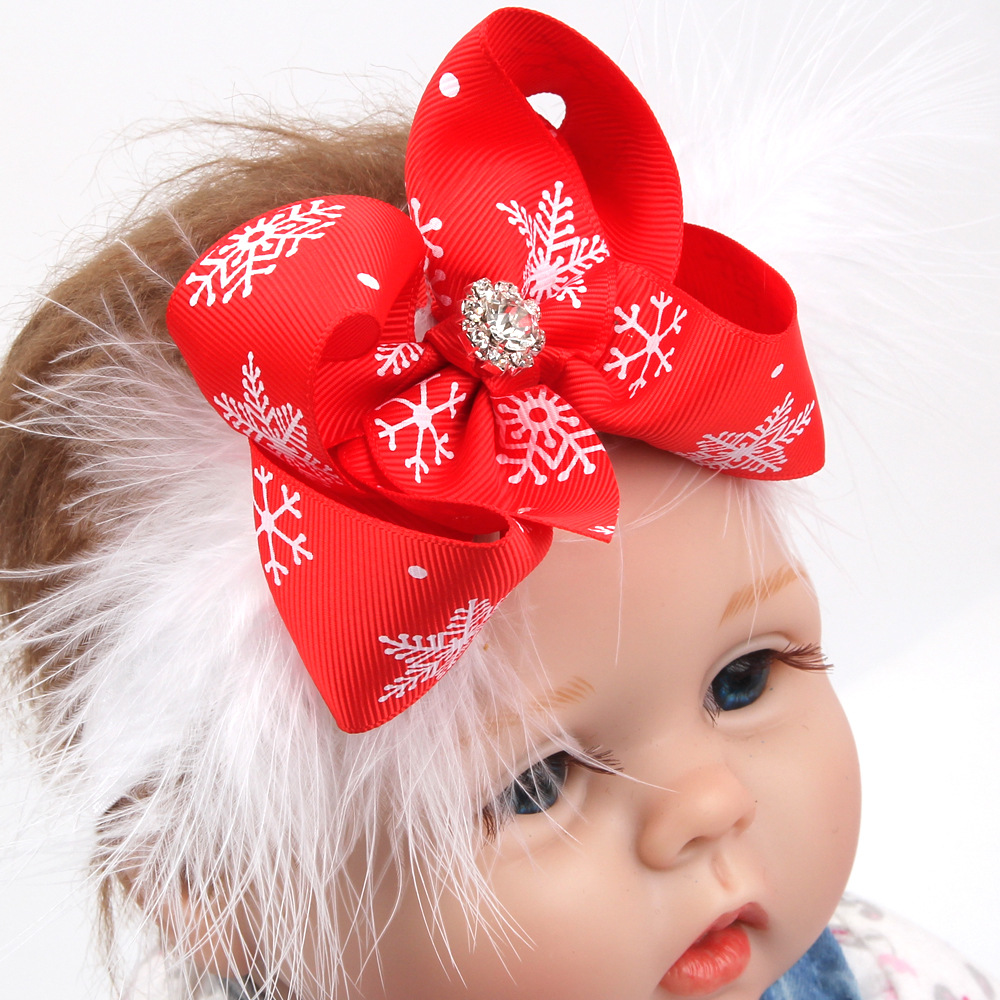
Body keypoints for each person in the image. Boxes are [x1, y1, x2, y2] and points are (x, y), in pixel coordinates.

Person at [0, 8, 995, 1000]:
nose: (708, 804)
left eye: (743, 678)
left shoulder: (892, 980)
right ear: (217, 890)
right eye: (535, 784)